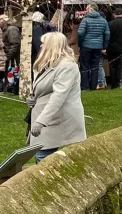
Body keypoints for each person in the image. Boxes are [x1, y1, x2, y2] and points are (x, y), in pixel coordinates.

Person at [27, 32, 86, 163]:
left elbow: (59, 96)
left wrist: (41, 121)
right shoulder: (48, 64)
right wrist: (34, 98)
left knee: (44, 158)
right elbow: (45, 89)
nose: (41, 46)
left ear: (51, 46)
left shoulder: (66, 66)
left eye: (44, 43)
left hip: (59, 119)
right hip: (50, 118)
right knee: (42, 155)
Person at [76, 4, 109, 91]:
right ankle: (93, 87)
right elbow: (107, 34)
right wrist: (104, 46)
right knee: (95, 67)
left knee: (84, 66)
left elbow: (80, 33)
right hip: (98, 46)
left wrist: (80, 43)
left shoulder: (85, 20)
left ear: (91, 9)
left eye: (87, 9)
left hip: (86, 46)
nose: (86, 11)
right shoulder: (103, 21)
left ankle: (85, 87)